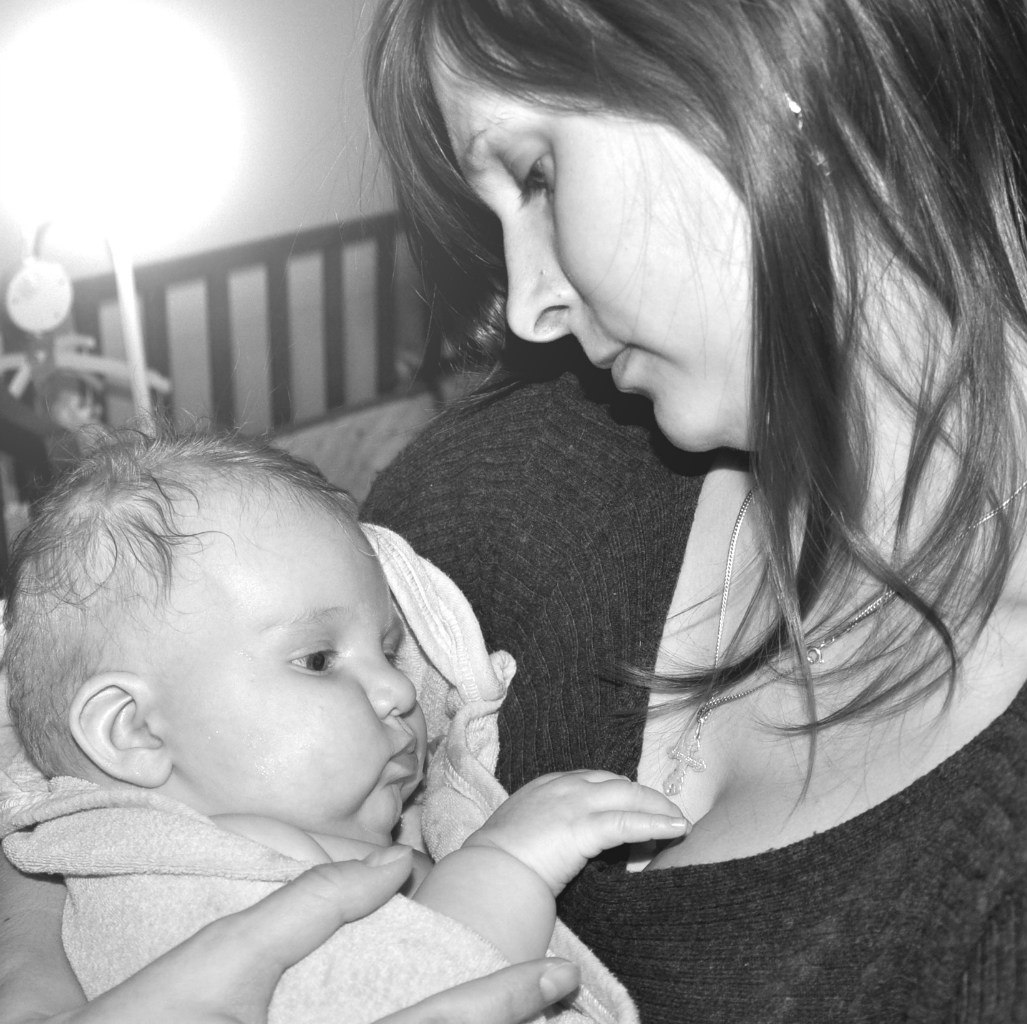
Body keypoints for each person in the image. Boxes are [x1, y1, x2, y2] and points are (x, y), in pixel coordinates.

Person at [6, 0, 1027, 1019]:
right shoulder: (498, 484)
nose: (530, 305)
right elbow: (69, 730)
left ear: (781, 72)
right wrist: (36, 981)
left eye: (536, 175)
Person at [0, 429, 686, 1023]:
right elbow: (428, 991)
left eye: (388, 651)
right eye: (318, 660)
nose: (396, 689)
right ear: (135, 732)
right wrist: (507, 862)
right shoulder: (204, 872)